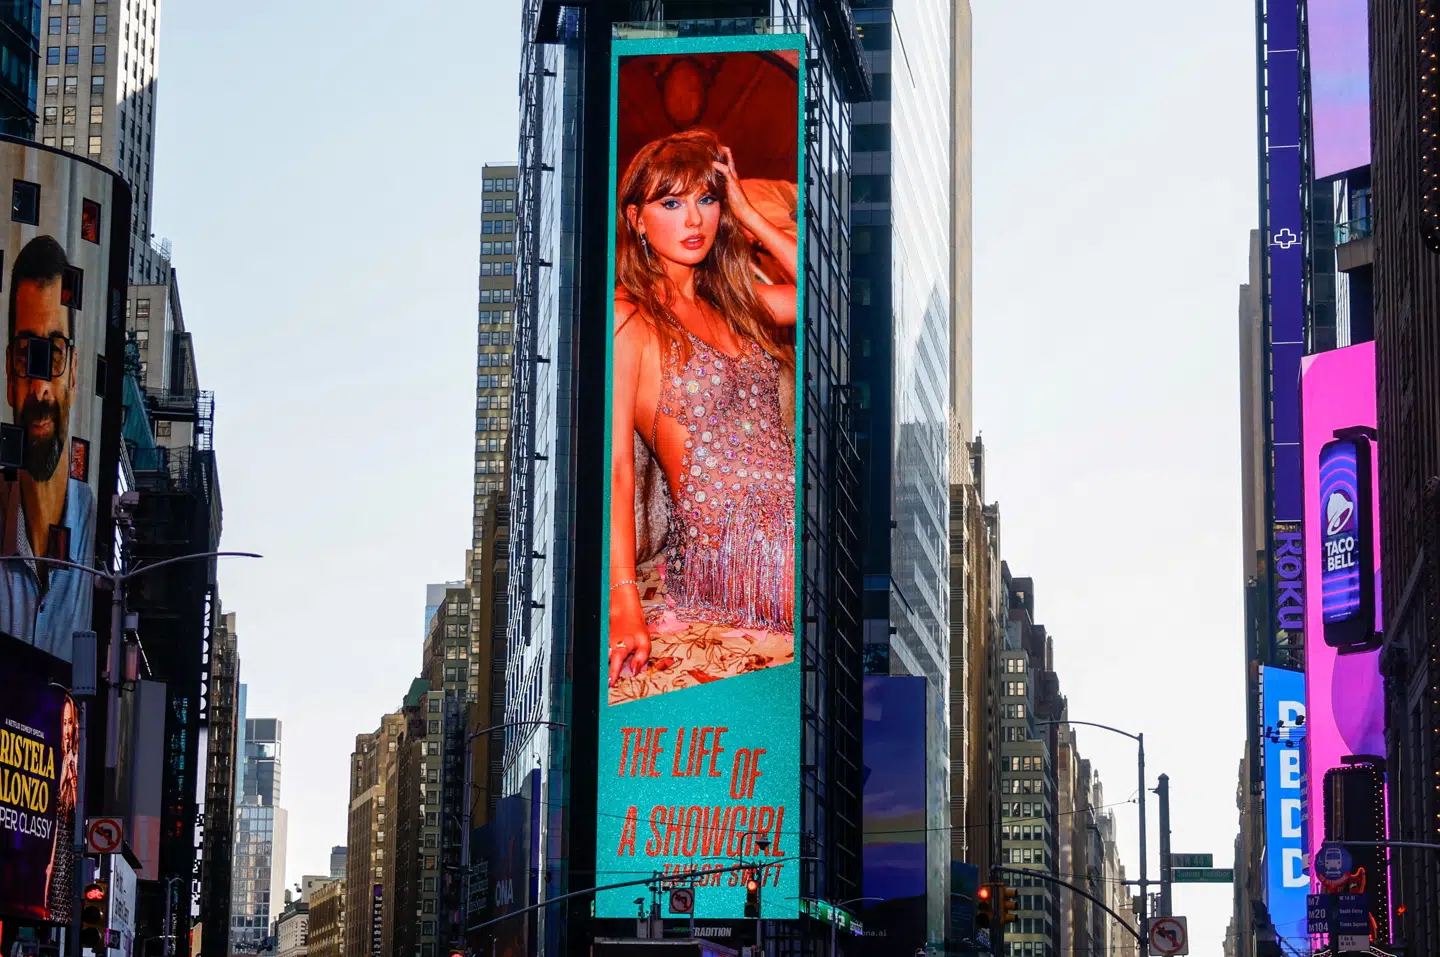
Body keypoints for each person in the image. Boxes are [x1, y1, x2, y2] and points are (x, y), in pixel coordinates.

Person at [608, 129, 798, 686]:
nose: (694, 220)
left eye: (705, 200)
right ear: (637, 219)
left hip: (794, 529)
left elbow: (822, 294)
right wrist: (624, 601)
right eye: (671, 203)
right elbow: (617, 470)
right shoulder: (628, 319)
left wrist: (748, 211)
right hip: (732, 554)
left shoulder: (736, 305)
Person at [0, 236, 96, 661]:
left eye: (52, 355)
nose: (39, 389)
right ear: (8, 374)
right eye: (26, 356)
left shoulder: (97, 528)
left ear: (73, 373)